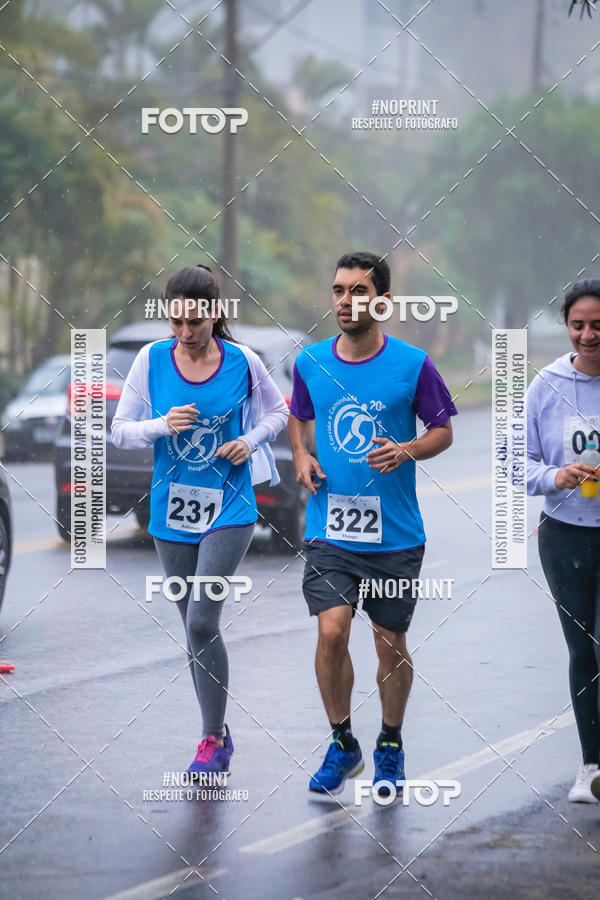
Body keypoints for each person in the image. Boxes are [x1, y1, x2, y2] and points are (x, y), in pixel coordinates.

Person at [288, 251, 457, 795]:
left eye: (358, 291)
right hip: (330, 529)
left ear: (381, 300)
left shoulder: (412, 364)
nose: (345, 300)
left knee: (389, 644)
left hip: (395, 536)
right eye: (339, 290)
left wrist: (406, 449)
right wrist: (301, 457)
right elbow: (299, 415)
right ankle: (342, 744)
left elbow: (442, 430)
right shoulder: (311, 361)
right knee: (331, 630)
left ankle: (389, 740)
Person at [111, 265, 289, 776]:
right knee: (192, 631)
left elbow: (279, 412)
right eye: (177, 322)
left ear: (214, 313)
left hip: (228, 508)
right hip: (171, 510)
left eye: (195, 322)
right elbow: (121, 431)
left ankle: (211, 740)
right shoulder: (150, 360)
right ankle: (218, 733)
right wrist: (160, 425)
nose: (186, 333)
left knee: (203, 619)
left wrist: (249, 441)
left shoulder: (242, 362)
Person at [527, 278, 600, 803]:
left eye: (598, 325)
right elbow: (517, 462)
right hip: (565, 536)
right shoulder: (545, 386)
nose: (588, 335)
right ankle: (591, 767)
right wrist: (555, 477)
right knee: (583, 651)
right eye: (578, 325)